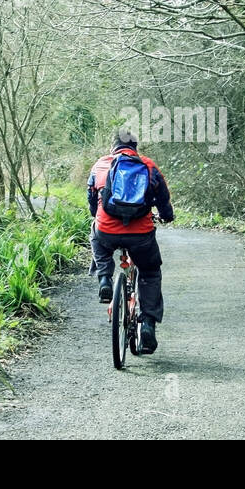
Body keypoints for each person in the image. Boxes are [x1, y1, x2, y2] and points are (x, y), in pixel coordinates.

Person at [87, 129, 174, 354]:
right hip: (141, 235)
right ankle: (147, 325)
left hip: (106, 230)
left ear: (112, 147)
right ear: (135, 147)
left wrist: (96, 214)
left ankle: (105, 278)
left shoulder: (100, 165)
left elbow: (91, 197)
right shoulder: (148, 166)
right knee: (150, 272)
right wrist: (166, 215)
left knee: (96, 236)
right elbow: (163, 198)